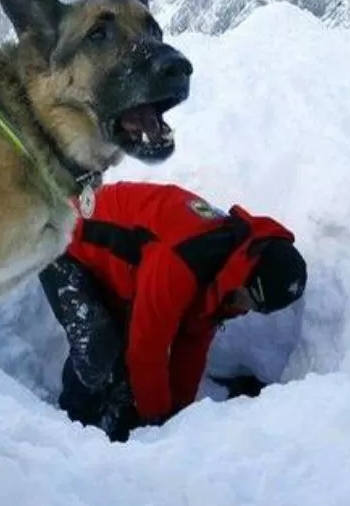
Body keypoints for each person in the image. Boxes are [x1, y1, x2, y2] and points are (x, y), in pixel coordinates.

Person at [39, 181, 307, 442]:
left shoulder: (225, 270)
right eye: (253, 302)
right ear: (248, 280)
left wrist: (177, 418)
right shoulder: (184, 258)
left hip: (120, 272)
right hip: (63, 240)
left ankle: (115, 434)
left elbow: (191, 344)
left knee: (127, 381)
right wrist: (155, 420)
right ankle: (70, 430)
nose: (247, 311)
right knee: (97, 345)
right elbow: (146, 348)